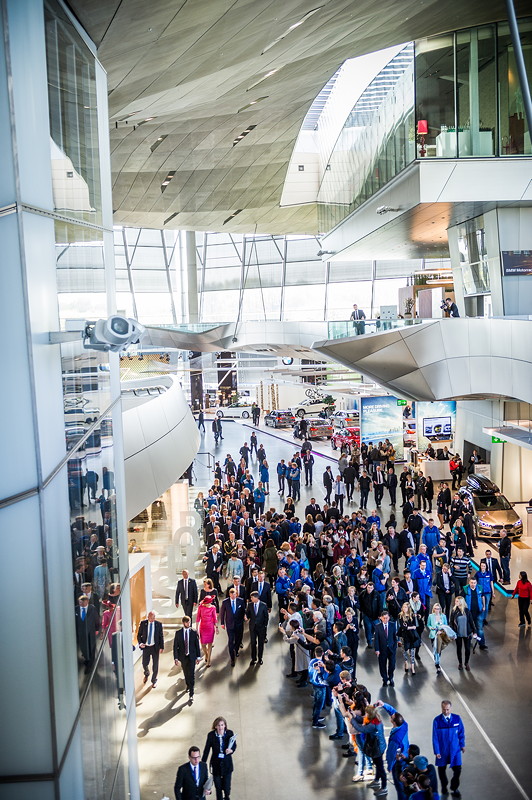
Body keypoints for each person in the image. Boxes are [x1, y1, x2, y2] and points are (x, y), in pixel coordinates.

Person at [349, 706, 387, 796]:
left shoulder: (373, 725)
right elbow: (363, 719)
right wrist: (354, 716)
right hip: (377, 746)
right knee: (378, 765)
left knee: (380, 767)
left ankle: (384, 787)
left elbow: (362, 729)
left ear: (369, 714)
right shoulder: (374, 719)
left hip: (377, 748)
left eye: (366, 713)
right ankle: (377, 780)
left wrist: (352, 719)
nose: (365, 715)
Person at [432, 700, 465, 798]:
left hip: (455, 749)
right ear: (441, 708)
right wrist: (437, 751)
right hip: (442, 750)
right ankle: (444, 786)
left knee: (458, 769)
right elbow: (435, 738)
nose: (446, 712)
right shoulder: (437, 721)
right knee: (441, 769)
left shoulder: (457, 719)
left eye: (447, 709)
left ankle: (454, 787)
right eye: (444, 709)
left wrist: (462, 745)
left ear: (451, 708)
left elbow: (461, 733)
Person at [202, 717, 236, 800]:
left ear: (225, 726)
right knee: (218, 787)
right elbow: (207, 749)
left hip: (227, 764)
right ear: (215, 726)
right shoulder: (211, 735)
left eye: (222, 725)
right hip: (216, 764)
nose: (220, 727)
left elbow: (234, 745)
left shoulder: (229, 733)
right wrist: (202, 763)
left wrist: (231, 750)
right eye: (218, 725)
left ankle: (227, 797)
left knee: (227, 786)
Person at [173, 616, 202, 700]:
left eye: (189, 622)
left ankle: (191, 694)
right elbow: (175, 646)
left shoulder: (193, 632)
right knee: (186, 673)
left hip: (192, 656)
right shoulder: (178, 633)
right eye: (187, 622)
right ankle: (188, 685)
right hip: (183, 657)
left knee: (192, 674)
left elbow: (197, 645)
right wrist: (176, 658)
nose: (188, 624)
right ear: (183, 623)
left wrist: (198, 657)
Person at [137, 611, 164, 687]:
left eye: (154, 618)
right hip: (146, 647)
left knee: (155, 664)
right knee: (144, 663)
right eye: (151, 618)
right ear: (148, 617)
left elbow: (161, 636)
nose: (152, 619)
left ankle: (154, 680)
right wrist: (140, 643)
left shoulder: (158, 624)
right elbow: (139, 635)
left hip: (155, 647)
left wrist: (161, 647)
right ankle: (146, 673)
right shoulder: (143, 624)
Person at [220, 587, 245, 667]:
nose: (233, 596)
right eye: (231, 594)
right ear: (229, 595)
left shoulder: (240, 601)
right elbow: (222, 613)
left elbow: (243, 611)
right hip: (230, 624)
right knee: (231, 641)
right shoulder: (225, 602)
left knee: (238, 639)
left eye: (234, 594)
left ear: (236, 594)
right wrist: (222, 623)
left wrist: (244, 617)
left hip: (239, 624)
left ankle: (236, 650)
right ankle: (232, 658)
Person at [450, 596, 476, 671]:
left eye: (457, 601)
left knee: (467, 649)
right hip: (458, 634)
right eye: (455, 601)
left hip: (466, 633)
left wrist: (474, 632)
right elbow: (451, 622)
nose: (455, 602)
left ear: (461, 602)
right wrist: (452, 632)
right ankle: (460, 663)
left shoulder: (467, 611)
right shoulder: (454, 611)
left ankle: (466, 663)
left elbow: (471, 622)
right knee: (459, 648)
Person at [75, 594, 100, 671]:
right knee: (83, 648)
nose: (81, 604)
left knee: (91, 647)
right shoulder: (76, 609)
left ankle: (90, 665)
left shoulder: (92, 608)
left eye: (83, 602)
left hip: (90, 632)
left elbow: (96, 619)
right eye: (80, 602)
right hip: (81, 633)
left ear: (87, 602)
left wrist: (97, 629)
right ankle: (87, 659)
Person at [374, 609, 398, 687]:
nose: (385, 619)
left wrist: (395, 647)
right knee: (382, 665)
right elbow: (376, 639)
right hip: (382, 650)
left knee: (392, 665)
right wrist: (377, 649)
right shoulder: (377, 627)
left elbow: (395, 637)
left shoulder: (392, 625)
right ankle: (384, 679)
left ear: (389, 618)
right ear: (381, 618)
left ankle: (390, 678)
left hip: (391, 649)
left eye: (387, 618)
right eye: (384, 618)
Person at [398, 602, 421, 675]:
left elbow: (415, 625)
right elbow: (403, 627)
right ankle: (406, 663)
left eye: (406, 607)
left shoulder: (412, 616)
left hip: (412, 636)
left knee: (412, 652)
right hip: (403, 636)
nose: (404, 609)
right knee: (404, 650)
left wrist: (408, 627)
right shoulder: (400, 615)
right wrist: (410, 627)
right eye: (403, 607)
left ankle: (413, 666)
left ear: (408, 608)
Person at [427, 603, 451, 674]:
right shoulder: (430, 616)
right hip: (433, 635)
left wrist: (441, 631)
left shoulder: (443, 616)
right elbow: (428, 624)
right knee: (434, 648)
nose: (437, 610)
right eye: (435, 609)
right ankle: (437, 663)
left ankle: (438, 662)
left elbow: (446, 625)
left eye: (438, 609)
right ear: (433, 609)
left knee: (439, 649)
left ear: (440, 609)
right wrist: (432, 628)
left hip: (441, 635)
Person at [246, 590, 269, 664]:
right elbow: (248, 614)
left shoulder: (263, 605)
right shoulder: (250, 605)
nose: (251, 599)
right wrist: (246, 616)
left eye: (252, 597)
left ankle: (260, 658)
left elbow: (266, 617)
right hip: (252, 627)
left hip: (261, 628)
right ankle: (253, 658)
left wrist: (264, 626)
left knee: (260, 643)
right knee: (253, 643)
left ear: (256, 598)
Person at [196, 595, 218, 667]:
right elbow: (198, 617)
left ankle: (208, 660)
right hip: (203, 627)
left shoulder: (213, 608)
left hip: (210, 627)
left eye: (209, 603)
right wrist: (196, 628)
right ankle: (206, 654)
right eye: (207, 603)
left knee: (210, 644)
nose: (208, 604)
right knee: (203, 644)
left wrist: (216, 627)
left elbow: (215, 618)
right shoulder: (200, 607)